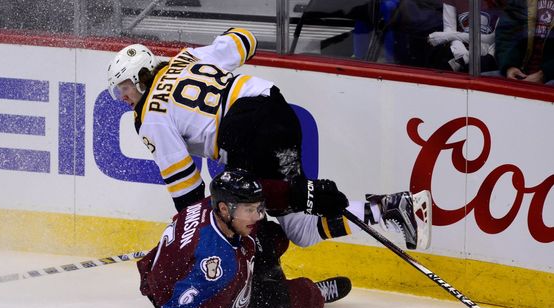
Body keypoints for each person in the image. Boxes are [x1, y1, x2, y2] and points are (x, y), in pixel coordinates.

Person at [106, 28, 432, 252]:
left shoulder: (149, 116)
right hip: (276, 109)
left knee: (232, 208)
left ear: (140, 76)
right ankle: (389, 208)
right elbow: (245, 41)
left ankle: (295, 209)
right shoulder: (185, 59)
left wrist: (195, 235)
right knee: (300, 231)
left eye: (124, 87)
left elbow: (186, 186)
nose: (122, 97)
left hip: (243, 132)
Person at [137, 169, 352, 308]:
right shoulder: (215, 266)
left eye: (258, 208)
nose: (257, 215)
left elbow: (263, 193)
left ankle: (265, 275)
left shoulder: (211, 206)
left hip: (186, 274)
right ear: (223, 209)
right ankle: (317, 292)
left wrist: (305, 194)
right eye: (249, 210)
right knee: (305, 300)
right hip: (226, 304)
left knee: (273, 235)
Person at [427, 0, 500, 72]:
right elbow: (449, 28)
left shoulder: (500, 3)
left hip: (486, 53)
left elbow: (493, 39)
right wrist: (460, 51)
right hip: (458, 47)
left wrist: (466, 58)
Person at [495, 0, 554, 85]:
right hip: (520, 73)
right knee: (483, 82)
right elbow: (506, 36)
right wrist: (509, 67)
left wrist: (545, 74)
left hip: (549, 78)